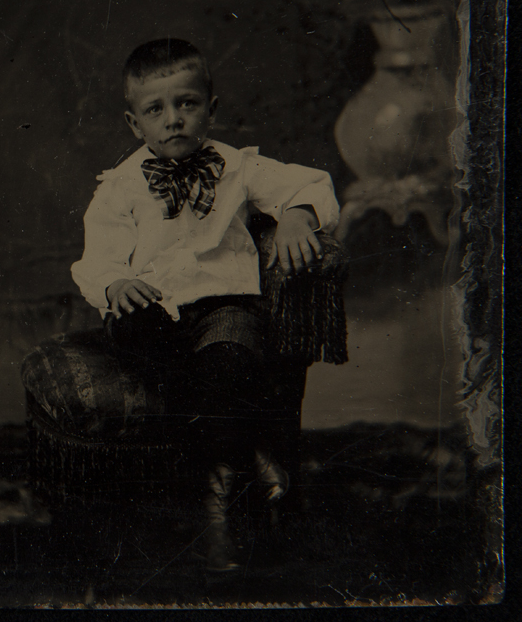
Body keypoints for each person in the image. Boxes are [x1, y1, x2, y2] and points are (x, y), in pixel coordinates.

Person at [70, 38, 339, 573]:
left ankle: (219, 511)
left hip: (225, 305)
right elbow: (96, 260)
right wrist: (117, 285)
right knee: (136, 329)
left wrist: (296, 216)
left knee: (227, 363)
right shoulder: (120, 186)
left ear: (210, 109)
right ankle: (256, 454)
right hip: (155, 310)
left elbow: (311, 183)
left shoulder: (239, 167)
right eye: (156, 110)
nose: (174, 120)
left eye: (187, 103)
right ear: (134, 125)